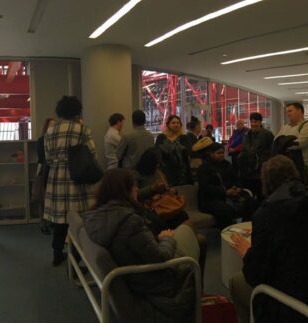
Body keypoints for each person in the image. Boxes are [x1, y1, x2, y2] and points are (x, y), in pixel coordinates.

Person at [228, 155, 308, 323]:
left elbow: (254, 275)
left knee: (237, 283)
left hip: (297, 303)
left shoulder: (266, 214)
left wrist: (247, 252)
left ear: (266, 181)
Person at [82, 168, 197, 322]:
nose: (137, 188)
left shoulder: (97, 215)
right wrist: (167, 238)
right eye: (134, 186)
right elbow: (160, 256)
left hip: (132, 275)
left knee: (193, 235)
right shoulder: (130, 221)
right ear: (125, 190)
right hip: (153, 281)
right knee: (191, 232)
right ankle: (196, 306)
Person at [44, 96, 98, 266]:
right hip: (77, 177)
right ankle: (76, 258)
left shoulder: (50, 131)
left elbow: (48, 158)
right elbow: (92, 153)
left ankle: (56, 254)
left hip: (57, 178)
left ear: (60, 111)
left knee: (60, 220)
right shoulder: (82, 129)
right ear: (76, 111)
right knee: (78, 220)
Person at [196, 142, 243, 227]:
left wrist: (237, 188)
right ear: (211, 154)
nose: (222, 155)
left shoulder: (226, 165)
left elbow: (236, 179)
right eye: (218, 153)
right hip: (209, 200)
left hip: (229, 195)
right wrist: (225, 191)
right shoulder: (204, 168)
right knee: (225, 210)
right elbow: (205, 187)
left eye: (222, 153)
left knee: (250, 202)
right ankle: (226, 233)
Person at [276, 102, 308, 176]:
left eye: (290, 111)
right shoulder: (285, 127)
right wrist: (286, 142)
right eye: (287, 112)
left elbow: (300, 143)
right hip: (286, 167)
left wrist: (283, 143)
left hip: (302, 167)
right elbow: (275, 142)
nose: (288, 114)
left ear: (299, 111)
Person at [238, 113, 273, 197]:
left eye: (256, 121)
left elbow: (255, 149)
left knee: (261, 192)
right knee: (250, 192)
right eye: (252, 121)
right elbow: (245, 148)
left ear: (260, 122)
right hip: (249, 169)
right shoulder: (247, 134)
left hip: (261, 168)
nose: (253, 124)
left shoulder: (266, 134)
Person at [33, 118, 56, 235]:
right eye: (50, 125)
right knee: (43, 198)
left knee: (53, 199)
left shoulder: (57, 139)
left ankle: (51, 221)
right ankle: (43, 223)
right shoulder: (41, 140)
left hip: (54, 171)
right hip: (44, 171)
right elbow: (43, 157)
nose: (52, 127)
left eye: (54, 125)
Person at [155, 115, 191, 186]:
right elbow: (156, 151)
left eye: (178, 123)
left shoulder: (184, 137)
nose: (176, 125)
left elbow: (188, 152)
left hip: (181, 171)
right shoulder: (161, 137)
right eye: (173, 123)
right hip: (165, 169)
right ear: (168, 124)